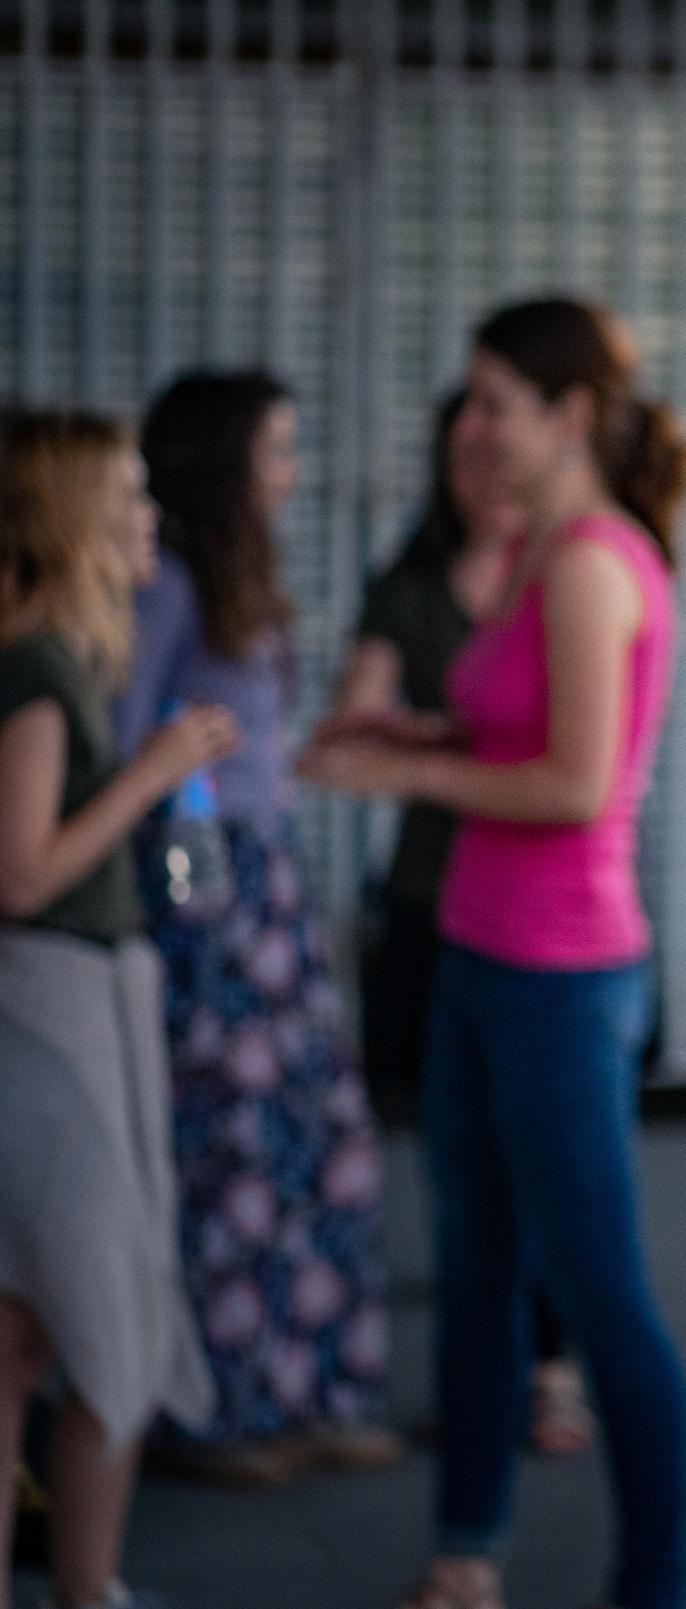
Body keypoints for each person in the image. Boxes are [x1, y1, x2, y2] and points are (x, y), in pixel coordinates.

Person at [299, 297, 686, 1609]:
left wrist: (399, 779)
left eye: (493, 402)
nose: (468, 426)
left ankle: (656, 1578)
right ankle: (467, 1555)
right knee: (473, 1270)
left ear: (569, 414)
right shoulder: (528, 551)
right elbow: (502, 731)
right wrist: (409, 740)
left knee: (597, 1290)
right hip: (476, 949)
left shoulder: (589, 559)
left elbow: (580, 785)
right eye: (467, 401)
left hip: (562, 973)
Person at [110, 373, 398, 1488]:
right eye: (275, 450)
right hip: (203, 897)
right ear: (221, 464)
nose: (292, 471)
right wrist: (190, 841)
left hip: (263, 887)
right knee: (227, 1152)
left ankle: (303, 1388)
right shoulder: (168, 582)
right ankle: (216, 1407)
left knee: (305, 1143)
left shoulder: (233, 578)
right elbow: (131, 748)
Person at [0, 409, 234, 1609]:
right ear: (72, 518)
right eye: (130, 496)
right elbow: (25, 873)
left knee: (21, 1336)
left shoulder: (54, 655)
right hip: (51, 1011)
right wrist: (150, 773)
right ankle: (90, 1588)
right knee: (96, 1320)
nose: (151, 519)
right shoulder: (39, 664)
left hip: (61, 1008)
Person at [324, 399, 589, 1454]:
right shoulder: (413, 587)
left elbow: (590, 759)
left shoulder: (572, 573)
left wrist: (434, 749)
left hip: (552, 912)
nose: (481, 470)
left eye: (495, 446)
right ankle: (481, 1382)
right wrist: (383, 726)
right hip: (439, 901)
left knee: (550, 1163)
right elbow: (355, 711)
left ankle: (553, 1371)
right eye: (462, 456)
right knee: (461, 1163)